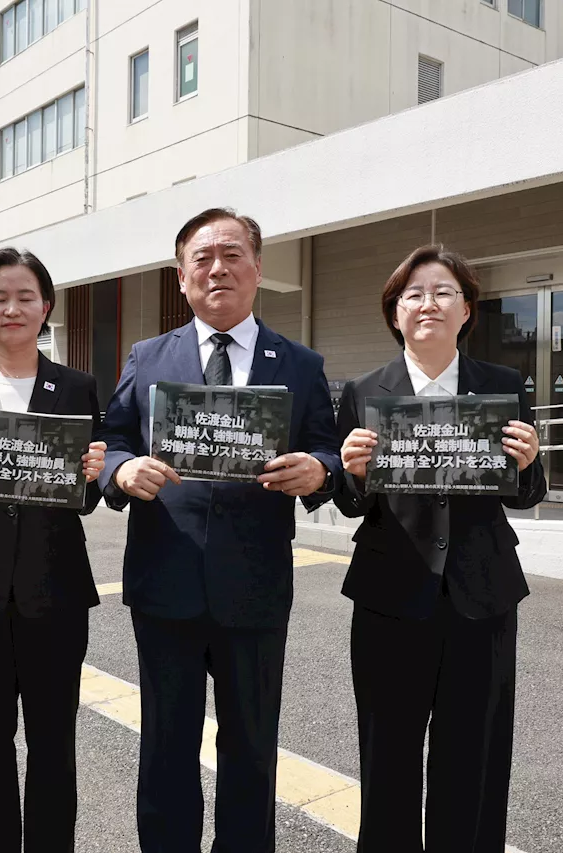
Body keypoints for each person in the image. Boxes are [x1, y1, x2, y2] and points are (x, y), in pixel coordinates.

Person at [96, 208, 342, 851]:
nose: (217, 268)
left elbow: (333, 451)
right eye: (201, 258)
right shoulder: (148, 356)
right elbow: (112, 441)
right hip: (165, 582)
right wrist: (122, 472)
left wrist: (320, 469)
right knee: (166, 746)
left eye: (232, 254)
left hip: (254, 586)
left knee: (252, 749)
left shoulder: (300, 363)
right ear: (181, 277)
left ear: (258, 268)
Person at [334, 244, 545, 853]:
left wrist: (528, 464)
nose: (429, 303)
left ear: (466, 311)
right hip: (389, 596)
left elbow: (525, 493)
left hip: (481, 594)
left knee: (473, 758)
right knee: (388, 756)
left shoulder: (502, 386)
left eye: (444, 292)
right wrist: (351, 473)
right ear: (395, 313)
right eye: (414, 294)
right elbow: (351, 502)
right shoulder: (365, 390)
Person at [0, 247, 107, 853]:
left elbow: (84, 500)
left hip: (55, 588)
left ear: (46, 307)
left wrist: (90, 476)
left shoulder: (78, 386)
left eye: (25, 296)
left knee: (55, 738)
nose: (12, 308)